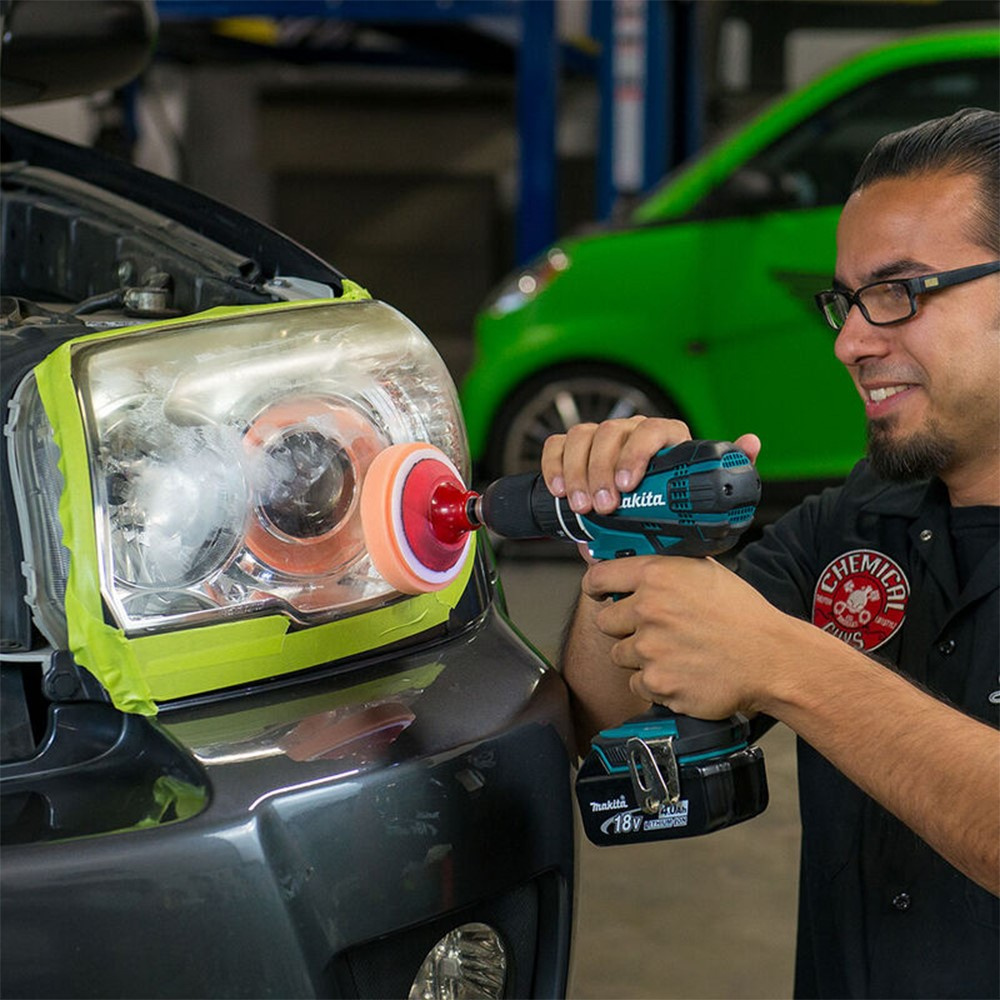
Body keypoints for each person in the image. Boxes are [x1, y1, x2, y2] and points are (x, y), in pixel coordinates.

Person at [541, 108, 999, 999]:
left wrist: (789, 664)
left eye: (900, 291)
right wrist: (632, 535)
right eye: (847, 299)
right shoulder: (856, 523)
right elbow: (609, 720)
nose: (850, 341)